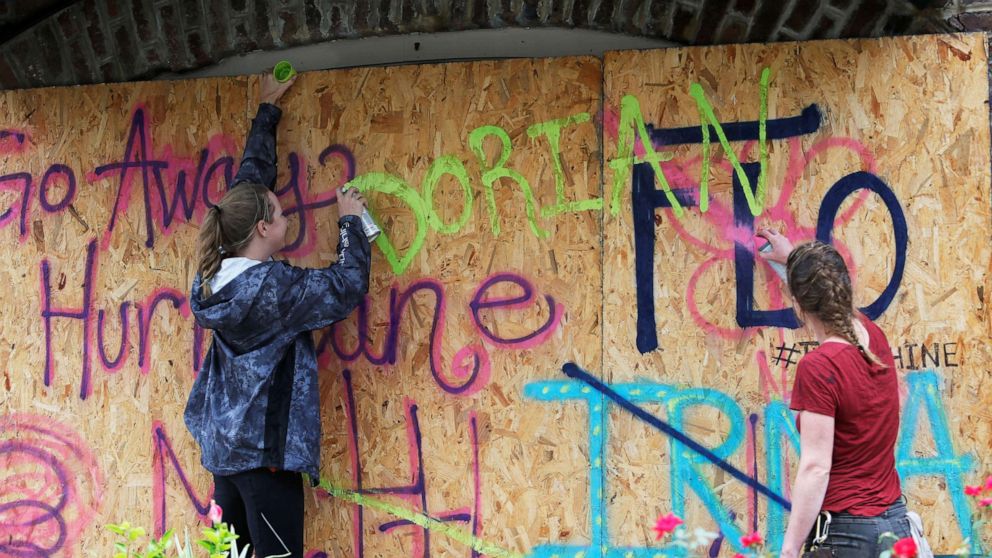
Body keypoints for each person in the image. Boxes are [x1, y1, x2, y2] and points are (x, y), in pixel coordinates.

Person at [184, 72, 372, 558]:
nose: (289, 217)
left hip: (225, 458)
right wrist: (350, 220)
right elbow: (345, 288)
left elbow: (248, 189)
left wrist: (267, 112)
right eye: (282, 214)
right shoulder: (273, 289)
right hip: (266, 464)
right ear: (264, 227)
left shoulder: (213, 278)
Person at [757, 230, 912, 558]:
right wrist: (793, 262)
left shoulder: (819, 366)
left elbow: (816, 467)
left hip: (848, 537)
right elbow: (828, 301)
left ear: (798, 305)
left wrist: (789, 548)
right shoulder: (874, 338)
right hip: (896, 528)